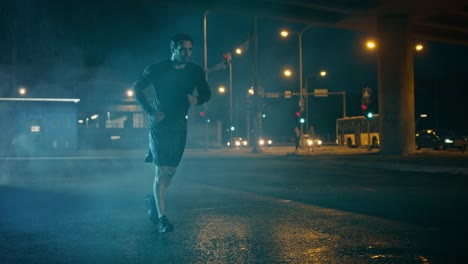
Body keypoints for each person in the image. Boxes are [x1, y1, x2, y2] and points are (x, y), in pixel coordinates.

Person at [132, 33, 211, 233]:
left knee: (170, 172)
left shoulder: (195, 71)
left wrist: (197, 99)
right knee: (160, 170)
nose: (187, 53)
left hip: (179, 126)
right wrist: (150, 112)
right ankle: (162, 219)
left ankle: (153, 199)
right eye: (182, 49)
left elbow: (206, 93)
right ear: (173, 48)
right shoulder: (157, 69)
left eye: (190, 49)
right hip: (159, 126)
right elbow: (137, 88)